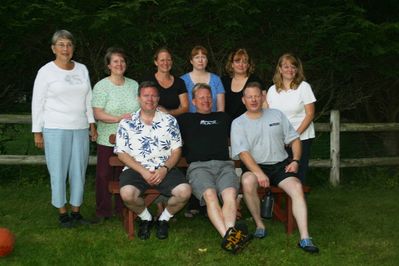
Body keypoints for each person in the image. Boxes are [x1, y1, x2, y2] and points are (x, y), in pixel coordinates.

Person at [230, 82, 319, 253]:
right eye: (250, 97)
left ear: (262, 97)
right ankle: (259, 224)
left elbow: (294, 139)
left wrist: (296, 160)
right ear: (244, 100)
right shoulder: (238, 123)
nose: (254, 100)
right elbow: (243, 153)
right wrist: (258, 173)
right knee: (247, 181)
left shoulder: (277, 115)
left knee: (296, 186)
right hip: (255, 167)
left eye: (257, 96)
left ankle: (305, 237)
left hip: (280, 166)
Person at [31, 30, 97, 228]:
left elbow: (88, 98)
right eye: (61, 44)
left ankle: (76, 211)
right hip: (55, 128)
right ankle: (62, 213)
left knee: (79, 170)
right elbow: (37, 102)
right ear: (53, 48)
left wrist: (91, 124)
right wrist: (37, 131)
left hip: (80, 127)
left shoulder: (82, 69)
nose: (65, 48)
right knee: (58, 171)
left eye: (69, 44)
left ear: (73, 48)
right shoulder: (46, 72)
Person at [177, 83, 252, 253]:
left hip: (224, 166)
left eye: (209, 97)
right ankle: (230, 235)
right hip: (198, 168)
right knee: (210, 196)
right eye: (202, 97)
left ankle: (230, 239)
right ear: (194, 101)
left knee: (230, 196)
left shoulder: (224, 118)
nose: (206, 100)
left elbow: (244, 127)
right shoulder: (185, 120)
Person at [114, 81, 191, 240]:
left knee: (184, 192)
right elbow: (121, 153)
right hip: (136, 169)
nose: (150, 99)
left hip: (164, 168)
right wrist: (143, 171)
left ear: (158, 98)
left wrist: (164, 169)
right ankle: (146, 218)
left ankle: (164, 219)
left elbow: (177, 150)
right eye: (146, 95)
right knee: (127, 194)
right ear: (139, 98)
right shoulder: (127, 123)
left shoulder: (169, 121)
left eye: (154, 95)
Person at [92, 47, 140, 222]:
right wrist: (118, 119)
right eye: (115, 61)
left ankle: (123, 209)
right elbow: (97, 113)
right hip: (107, 138)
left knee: (124, 174)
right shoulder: (101, 86)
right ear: (109, 65)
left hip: (129, 140)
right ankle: (103, 210)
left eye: (122, 61)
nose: (119, 64)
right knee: (104, 174)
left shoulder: (134, 85)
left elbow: (141, 109)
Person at [267, 53, 316, 184]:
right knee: (281, 174)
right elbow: (268, 115)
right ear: (280, 69)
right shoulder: (272, 90)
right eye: (286, 66)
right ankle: (279, 204)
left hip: (301, 137)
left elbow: (310, 114)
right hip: (279, 140)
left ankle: (299, 203)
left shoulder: (304, 87)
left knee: (298, 173)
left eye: (293, 67)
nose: (290, 70)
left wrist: (294, 136)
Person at [222, 48, 267, 120]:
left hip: (250, 124)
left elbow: (264, 105)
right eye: (237, 61)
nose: (241, 64)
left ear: (248, 65)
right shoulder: (223, 81)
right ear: (232, 64)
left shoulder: (256, 81)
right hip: (226, 125)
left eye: (244, 62)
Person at [181, 45, 225, 113]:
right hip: (190, 121)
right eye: (197, 57)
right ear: (191, 61)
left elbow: (221, 109)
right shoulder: (182, 80)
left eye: (203, 57)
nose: (200, 60)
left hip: (213, 121)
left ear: (207, 60)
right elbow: (181, 108)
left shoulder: (216, 80)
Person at [147, 47, 189, 116]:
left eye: (168, 60)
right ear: (156, 62)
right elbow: (144, 104)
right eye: (162, 60)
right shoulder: (148, 81)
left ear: (172, 62)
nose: (166, 63)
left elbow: (185, 107)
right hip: (152, 121)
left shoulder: (179, 82)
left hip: (175, 122)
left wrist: (168, 113)